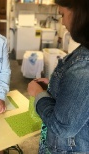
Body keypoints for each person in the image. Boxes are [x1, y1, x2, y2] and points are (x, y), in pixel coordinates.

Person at [27, 0, 89, 153]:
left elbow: (61, 127)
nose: (62, 22)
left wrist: (38, 94)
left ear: (79, 12)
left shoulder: (84, 63)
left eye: (62, 14)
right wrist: (58, 83)